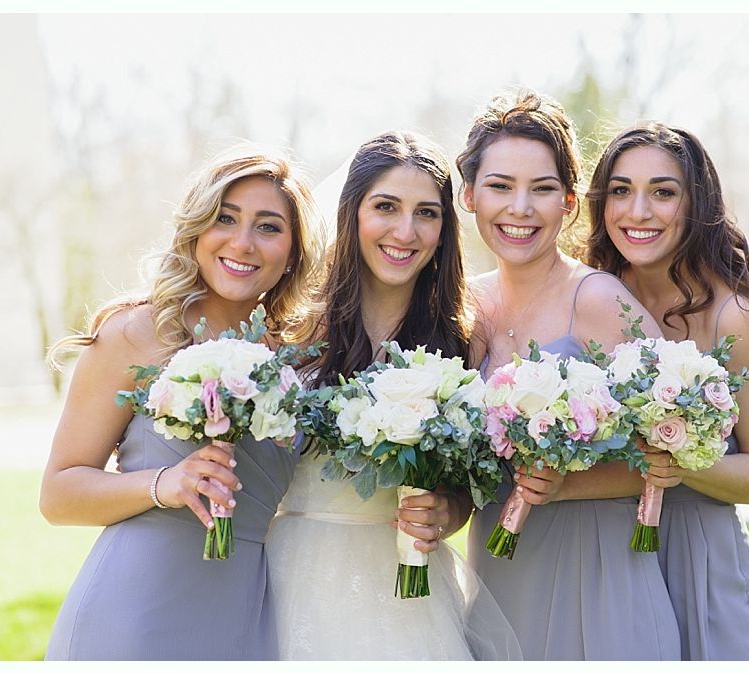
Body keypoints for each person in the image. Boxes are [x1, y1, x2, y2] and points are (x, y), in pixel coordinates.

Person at [40, 143, 323, 660]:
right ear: (196, 231)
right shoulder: (138, 333)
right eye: (225, 218)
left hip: (245, 613)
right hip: (136, 611)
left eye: (268, 226)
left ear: (293, 254)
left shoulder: (300, 359)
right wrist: (162, 484)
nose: (243, 242)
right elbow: (57, 495)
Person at [265, 130, 522, 660]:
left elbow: (461, 488)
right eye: (386, 207)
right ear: (352, 213)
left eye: (426, 213)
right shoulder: (291, 329)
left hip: (408, 588)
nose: (406, 231)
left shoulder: (461, 340)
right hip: (294, 575)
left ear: (444, 230)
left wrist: (444, 514)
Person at [456, 89, 682, 660]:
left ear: (570, 202)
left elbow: (680, 445)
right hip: (500, 571)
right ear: (469, 195)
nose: (520, 208)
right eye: (501, 186)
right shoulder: (466, 309)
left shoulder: (602, 299)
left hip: (596, 568)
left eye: (543, 189)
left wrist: (570, 483)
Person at [585, 121, 749, 660]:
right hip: (599, 557)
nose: (637, 211)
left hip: (698, 558)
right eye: (621, 191)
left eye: (662, 192)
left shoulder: (741, 317)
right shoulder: (593, 296)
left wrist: (685, 464)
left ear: (697, 204)